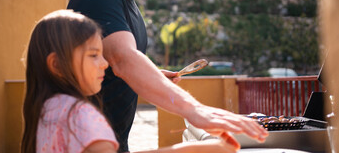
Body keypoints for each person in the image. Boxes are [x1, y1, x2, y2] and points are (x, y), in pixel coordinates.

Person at [67, 0, 268, 152]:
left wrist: (153, 75)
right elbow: (123, 59)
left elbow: (114, 68)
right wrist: (195, 110)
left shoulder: (127, 1)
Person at [21, 9, 239, 153]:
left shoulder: (47, 109)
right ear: (57, 65)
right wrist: (201, 149)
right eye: (94, 55)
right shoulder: (78, 114)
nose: (104, 64)